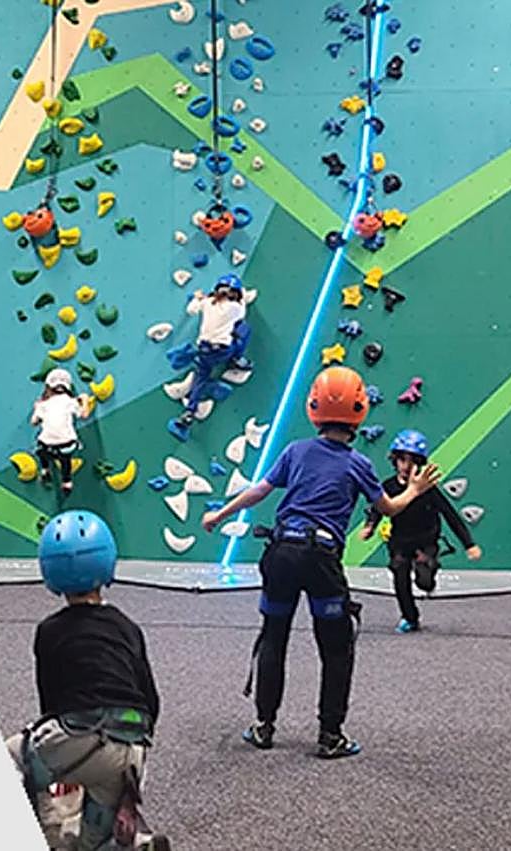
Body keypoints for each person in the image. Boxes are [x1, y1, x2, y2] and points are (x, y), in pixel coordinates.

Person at [200, 366, 440, 758]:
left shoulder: (295, 450)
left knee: (273, 635)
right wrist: (413, 488)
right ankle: (330, 736)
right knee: (335, 646)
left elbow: (259, 491)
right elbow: (390, 508)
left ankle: (263, 727)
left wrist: (219, 515)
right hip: (321, 559)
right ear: (360, 409)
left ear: (314, 406)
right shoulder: (359, 464)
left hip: (281, 554)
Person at [6, 510, 168, 851]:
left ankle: (40, 833)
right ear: (107, 564)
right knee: (93, 841)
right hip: (131, 750)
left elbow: (51, 706)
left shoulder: (49, 631)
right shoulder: (127, 626)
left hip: (77, 737)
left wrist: (58, 767)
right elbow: (151, 701)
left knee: (6, 759)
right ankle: (134, 844)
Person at [360, 429, 481, 633]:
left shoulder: (428, 489)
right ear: (395, 460)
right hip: (400, 541)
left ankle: (428, 569)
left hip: (426, 541)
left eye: (413, 461)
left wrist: (469, 544)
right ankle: (409, 617)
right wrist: (370, 526)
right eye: (402, 460)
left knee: (424, 583)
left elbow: (450, 515)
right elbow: (378, 508)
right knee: (399, 572)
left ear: (420, 463)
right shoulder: (388, 486)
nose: (406, 466)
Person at [168, 273, 253, 441]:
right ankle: (237, 359)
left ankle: (189, 412)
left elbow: (191, 310)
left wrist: (199, 298)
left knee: (200, 378)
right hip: (223, 351)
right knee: (244, 330)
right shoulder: (235, 308)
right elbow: (241, 314)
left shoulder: (207, 303)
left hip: (204, 350)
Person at [33, 368, 93, 496]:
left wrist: (36, 408)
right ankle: (67, 482)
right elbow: (84, 415)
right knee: (65, 462)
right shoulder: (71, 402)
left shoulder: (43, 404)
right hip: (66, 445)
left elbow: (34, 422)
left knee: (40, 445)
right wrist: (85, 400)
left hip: (46, 446)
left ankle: (45, 469)